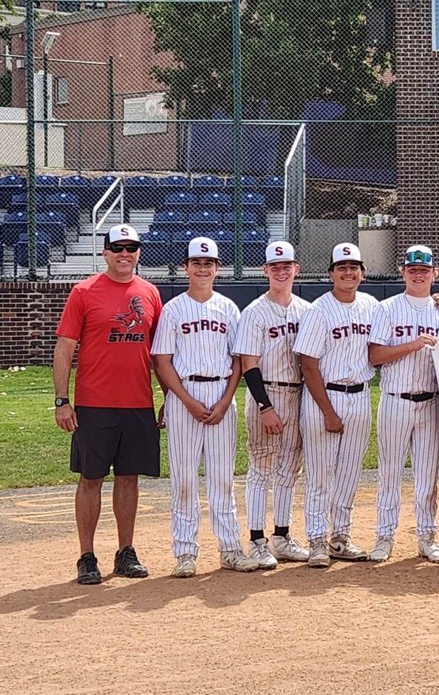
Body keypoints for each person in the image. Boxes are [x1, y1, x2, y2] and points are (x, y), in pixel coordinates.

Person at [54, 224, 162, 585]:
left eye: (131, 247)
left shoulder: (149, 293)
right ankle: (86, 556)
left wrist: (166, 398)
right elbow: (65, 348)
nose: (124, 254)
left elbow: (159, 353)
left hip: (137, 402)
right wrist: (62, 401)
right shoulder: (84, 292)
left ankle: (125, 551)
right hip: (94, 403)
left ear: (139, 252)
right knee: (91, 478)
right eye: (117, 247)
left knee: (129, 478)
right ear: (105, 253)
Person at [152, 236, 258, 577]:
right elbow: (162, 361)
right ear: (186, 267)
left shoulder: (228, 308)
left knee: (222, 479)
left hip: (220, 393)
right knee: (183, 479)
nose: (202, 268)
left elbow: (238, 360)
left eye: (208, 263)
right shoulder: (173, 309)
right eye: (196, 263)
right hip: (185, 394)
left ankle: (230, 549)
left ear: (217, 268)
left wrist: (226, 401)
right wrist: (186, 401)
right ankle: (185, 552)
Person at [294, 242, 380, 568]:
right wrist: (328, 412)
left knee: (349, 473)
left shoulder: (371, 306)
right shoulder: (319, 310)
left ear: (362, 273)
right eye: (341, 268)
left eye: (353, 267)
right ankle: (317, 539)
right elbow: (308, 365)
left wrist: (438, 300)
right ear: (331, 273)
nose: (348, 273)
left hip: (360, 395)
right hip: (324, 397)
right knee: (320, 474)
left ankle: (340, 537)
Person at [232, 240, 313, 569]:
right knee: (261, 467)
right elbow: (248, 364)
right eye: (275, 267)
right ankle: (256, 540)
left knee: (290, 467)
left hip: (298, 394)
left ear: (296, 269)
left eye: (286, 266)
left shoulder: (306, 310)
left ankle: (281, 536)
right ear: (265, 270)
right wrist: (265, 407)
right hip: (267, 391)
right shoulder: (255, 312)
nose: (281, 272)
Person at [367, 245, 439, 564]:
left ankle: (428, 536)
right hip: (395, 400)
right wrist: (412, 345)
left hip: (430, 402)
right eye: (412, 269)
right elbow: (375, 356)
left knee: (428, 476)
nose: (418, 275)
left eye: (424, 270)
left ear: (434, 274)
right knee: (390, 474)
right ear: (403, 272)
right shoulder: (387, 308)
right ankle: (384, 536)